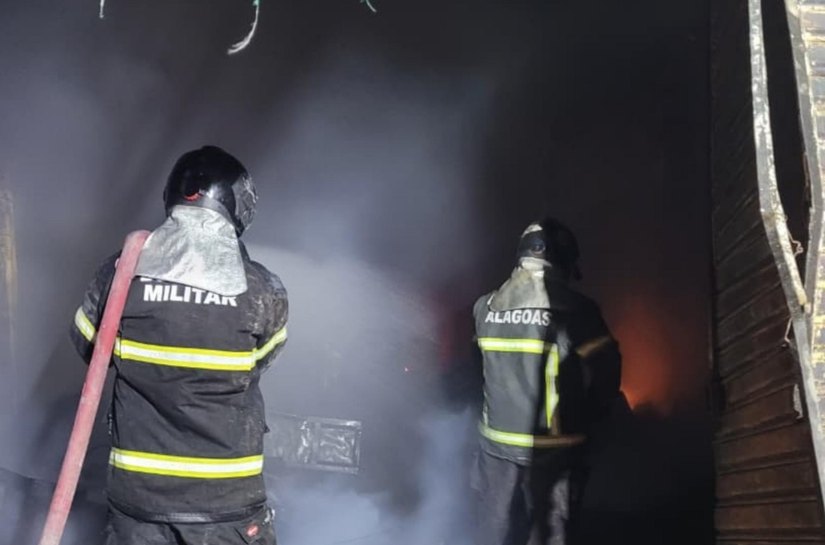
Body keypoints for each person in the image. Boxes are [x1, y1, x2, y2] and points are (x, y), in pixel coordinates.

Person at [70, 145, 288, 545]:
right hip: (227, 507)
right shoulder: (262, 292)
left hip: (139, 507)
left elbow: (87, 345)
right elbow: (260, 361)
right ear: (236, 205)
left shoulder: (120, 273)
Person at [471, 218, 621, 545]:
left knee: (493, 535)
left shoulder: (484, 308)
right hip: (556, 452)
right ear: (563, 262)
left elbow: (477, 371)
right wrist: (590, 416)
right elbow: (607, 372)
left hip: (496, 451)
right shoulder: (576, 310)